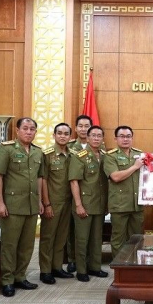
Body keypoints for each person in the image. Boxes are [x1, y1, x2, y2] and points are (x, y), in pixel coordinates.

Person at [0, 117, 44, 297]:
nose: (29, 132)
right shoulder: (5, 149)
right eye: (25, 128)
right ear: (17, 130)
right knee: (10, 245)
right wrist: (0, 203)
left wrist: (39, 202)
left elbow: (39, 178)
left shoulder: (38, 152)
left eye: (32, 129)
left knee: (27, 245)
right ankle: (7, 280)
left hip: (31, 206)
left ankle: (20, 276)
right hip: (12, 206)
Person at [68, 125, 109, 282]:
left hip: (99, 204)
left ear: (103, 139)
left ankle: (95, 267)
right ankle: (81, 270)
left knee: (96, 239)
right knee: (82, 239)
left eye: (99, 136)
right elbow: (74, 182)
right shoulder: (80, 156)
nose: (96, 138)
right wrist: (78, 204)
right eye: (93, 135)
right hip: (84, 204)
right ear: (88, 138)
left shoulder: (105, 156)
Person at [39, 123, 75, 285]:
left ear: (70, 136)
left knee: (61, 237)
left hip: (68, 203)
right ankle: (45, 270)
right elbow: (43, 180)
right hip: (52, 202)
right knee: (48, 237)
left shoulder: (72, 155)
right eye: (59, 133)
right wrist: (46, 204)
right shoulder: (46, 155)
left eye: (66, 133)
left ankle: (57, 267)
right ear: (54, 135)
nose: (62, 136)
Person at [103, 125, 144, 258]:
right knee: (118, 239)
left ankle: (133, 266)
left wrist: (147, 196)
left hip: (136, 204)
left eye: (128, 136)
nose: (125, 139)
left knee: (136, 238)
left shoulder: (139, 154)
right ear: (115, 139)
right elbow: (115, 177)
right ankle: (119, 268)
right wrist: (135, 167)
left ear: (132, 138)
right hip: (119, 205)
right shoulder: (110, 156)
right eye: (122, 136)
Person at [65, 114, 93, 273]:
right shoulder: (68, 146)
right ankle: (72, 259)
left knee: (86, 230)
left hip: (89, 195)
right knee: (71, 229)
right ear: (75, 128)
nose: (84, 129)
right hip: (69, 193)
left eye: (87, 126)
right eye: (80, 126)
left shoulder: (99, 147)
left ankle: (87, 259)